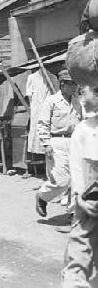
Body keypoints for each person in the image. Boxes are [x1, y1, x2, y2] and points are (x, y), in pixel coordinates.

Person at [62, 84, 98, 287]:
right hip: (89, 203)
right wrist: (79, 197)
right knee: (80, 255)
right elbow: (76, 168)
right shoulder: (84, 129)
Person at [36, 69, 81, 218]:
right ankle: (42, 197)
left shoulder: (77, 102)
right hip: (57, 142)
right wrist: (46, 144)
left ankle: (73, 213)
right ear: (63, 84)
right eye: (72, 84)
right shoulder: (51, 101)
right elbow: (42, 124)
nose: (75, 87)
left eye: (75, 84)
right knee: (60, 181)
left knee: (76, 180)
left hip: (74, 142)